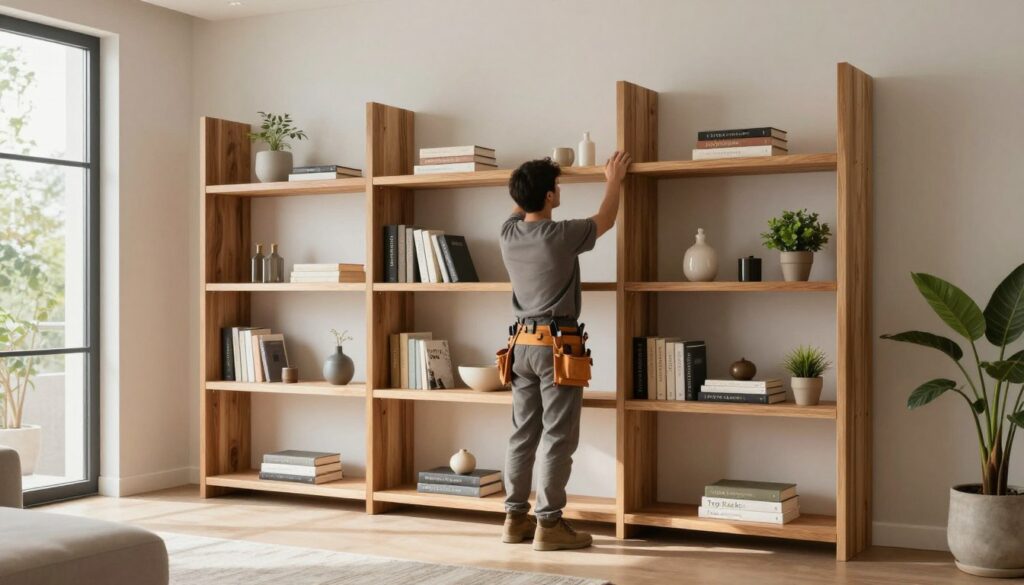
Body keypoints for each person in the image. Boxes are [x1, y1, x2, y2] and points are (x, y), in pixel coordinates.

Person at [498, 151, 631, 551]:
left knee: (523, 435)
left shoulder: (508, 233)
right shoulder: (560, 235)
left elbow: (521, 204)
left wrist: (531, 181)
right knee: (558, 437)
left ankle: (514, 519)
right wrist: (614, 178)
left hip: (519, 345)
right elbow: (606, 220)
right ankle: (550, 525)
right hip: (557, 346)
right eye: (557, 188)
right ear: (551, 196)